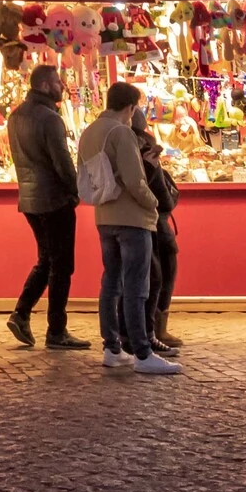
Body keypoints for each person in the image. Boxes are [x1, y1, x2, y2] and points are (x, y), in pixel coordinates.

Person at [77, 82, 173, 373]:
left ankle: (112, 346)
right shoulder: (122, 132)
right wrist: (153, 202)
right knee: (136, 285)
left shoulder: (90, 131)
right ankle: (142, 352)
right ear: (131, 107)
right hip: (131, 216)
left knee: (111, 282)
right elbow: (133, 180)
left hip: (105, 215)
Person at [3, 65, 87, 350]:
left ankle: (22, 313)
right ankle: (56, 330)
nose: (62, 85)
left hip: (29, 198)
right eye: (56, 82)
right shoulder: (50, 118)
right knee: (62, 265)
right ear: (43, 85)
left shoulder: (16, 116)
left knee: (47, 259)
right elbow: (62, 162)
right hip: (53, 199)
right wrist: (76, 191)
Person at [135, 116, 183, 357]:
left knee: (149, 273)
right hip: (155, 217)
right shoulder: (144, 144)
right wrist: (166, 200)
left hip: (142, 218)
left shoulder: (124, 140)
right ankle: (155, 329)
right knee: (162, 272)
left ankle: (149, 329)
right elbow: (160, 190)